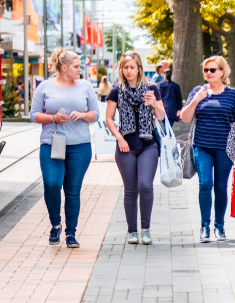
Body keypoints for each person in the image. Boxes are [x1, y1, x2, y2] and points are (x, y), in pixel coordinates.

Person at [30, 48, 99, 248]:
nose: (80, 70)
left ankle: (71, 233)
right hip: (52, 145)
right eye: (77, 67)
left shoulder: (85, 86)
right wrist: (52, 118)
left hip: (80, 146)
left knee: (72, 190)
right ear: (64, 68)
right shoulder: (45, 87)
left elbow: (95, 114)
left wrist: (83, 115)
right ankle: (55, 224)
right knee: (52, 184)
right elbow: (34, 115)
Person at [180, 55, 235, 243]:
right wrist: (195, 100)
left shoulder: (232, 94)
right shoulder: (198, 91)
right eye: (206, 70)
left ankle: (219, 226)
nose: (208, 73)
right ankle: (204, 226)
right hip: (201, 146)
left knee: (220, 187)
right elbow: (185, 118)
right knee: (205, 184)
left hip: (225, 148)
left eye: (212, 70)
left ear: (222, 72)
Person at [105, 51, 165, 245]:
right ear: (121, 69)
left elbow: (162, 117)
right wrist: (119, 138)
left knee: (145, 185)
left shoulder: (152, 88)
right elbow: (109, 118)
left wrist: (155, 104)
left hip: (148, 145)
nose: (128, 71)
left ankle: (145, 229)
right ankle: (132, 231)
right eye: (125, 67)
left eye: (132, 67)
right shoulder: (117, 90)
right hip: (126, 147)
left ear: (139, 68)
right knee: (130, 190)